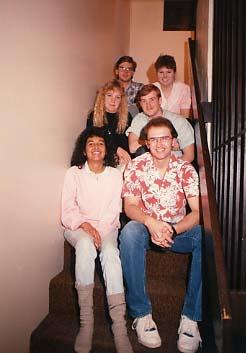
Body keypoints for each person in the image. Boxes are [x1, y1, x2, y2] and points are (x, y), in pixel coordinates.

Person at [120, 117, 202, 353]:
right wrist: (151, 222)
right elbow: (130, 207)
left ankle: (191, 318)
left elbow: (196, 212)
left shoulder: (185, 169)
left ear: (174, 141)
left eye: (164, 138)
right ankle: (141, 315)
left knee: (204, 237)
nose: (159, 144)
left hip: (177, 230)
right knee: (129, 232)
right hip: (147, 228)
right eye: (153, 139)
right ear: (146, 143)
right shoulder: (136, 166)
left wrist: (173, 229)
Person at [61, 126, 134, 353]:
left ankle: (120, 328)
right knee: (84, 245)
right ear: (83, 150)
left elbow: (131, 165)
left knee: (111, 253)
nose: (95, 147)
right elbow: (67, 210)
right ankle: (87, 324)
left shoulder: (116, 174)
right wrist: (86, 226)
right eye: (90, 143)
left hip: (107, 228)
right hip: (78, 227)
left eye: (100, 143)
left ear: (106, 149)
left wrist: (124, 154)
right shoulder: (74, 173)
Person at [127, 84, 194, 162]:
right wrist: (169, 144)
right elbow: (132, 148)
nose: (148, 105)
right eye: (144, 101)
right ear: (140, 104)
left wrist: (171, 169)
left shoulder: (178, 121)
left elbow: (189, 156)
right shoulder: (139, 119)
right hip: (147, 168)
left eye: (152, 99)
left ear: (160, 101)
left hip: (174, 165)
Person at [87, 79, 132, 168]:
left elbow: (128, 143)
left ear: (121, 100)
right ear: (103, 97)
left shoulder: (127, 116)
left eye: (117, 97)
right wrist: (116, 149)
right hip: (103, 159)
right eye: (109, 95)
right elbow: (95, 140)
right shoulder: (94, 115)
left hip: (124, 160)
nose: (113, 100)